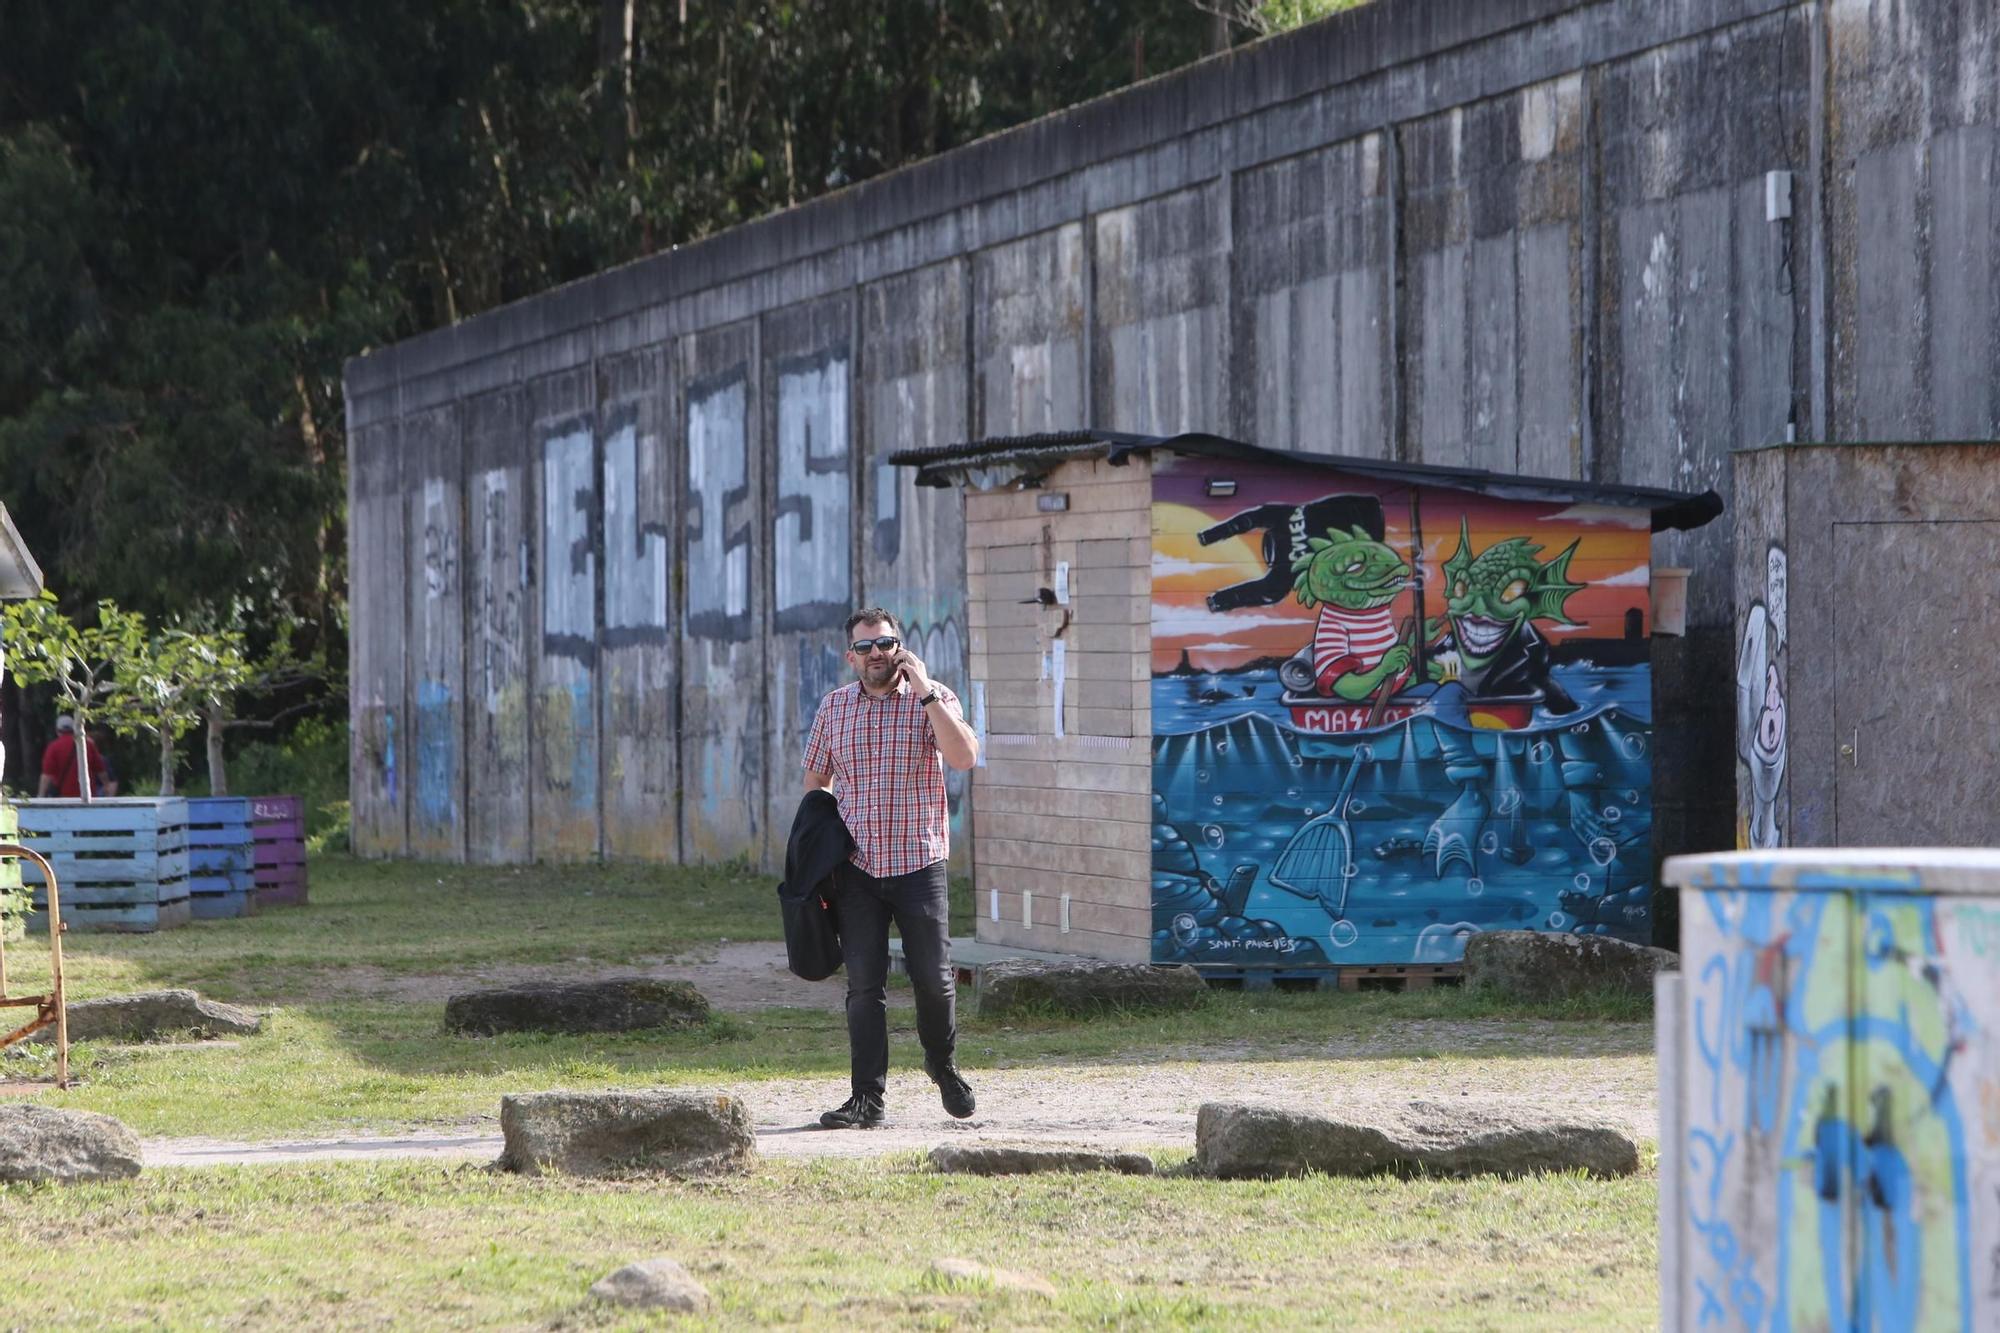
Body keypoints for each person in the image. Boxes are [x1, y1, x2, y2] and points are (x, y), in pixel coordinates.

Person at [803, 607, 980, 1128]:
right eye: (865, 647)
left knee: (934, 979)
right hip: (856, 869)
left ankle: (942, 1065)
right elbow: (816, 782)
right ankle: (866, 1099)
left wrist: (925, 692)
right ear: (850, 657)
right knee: (864, 987)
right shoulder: (834, 708)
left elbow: (965, 757)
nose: (876, 654)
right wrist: (821, 845)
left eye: (885, 644)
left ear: (899, 647)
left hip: (918, 862)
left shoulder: (933, 698)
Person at [38, 715, 108, 798]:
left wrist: (41, 795)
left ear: (57, 730)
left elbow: (46, 775)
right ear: (74, 728)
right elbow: (100, 770)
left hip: (63, 797)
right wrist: (106, 787)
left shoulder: (53, 747)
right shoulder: (88, 744)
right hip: (87, 796)